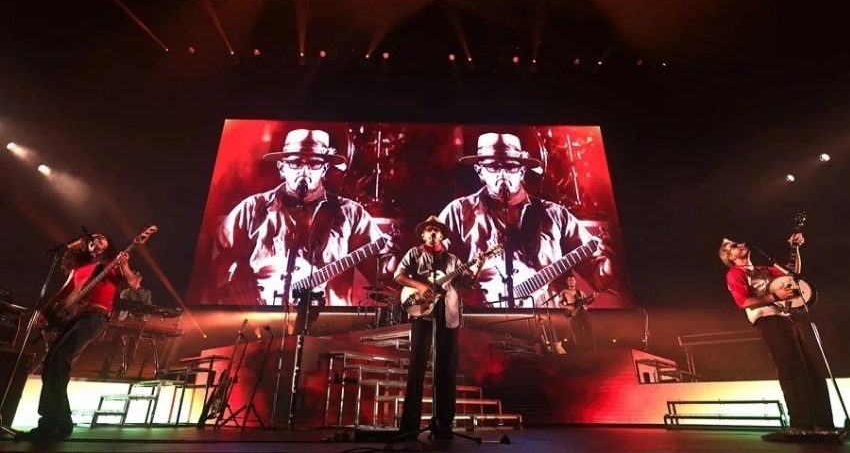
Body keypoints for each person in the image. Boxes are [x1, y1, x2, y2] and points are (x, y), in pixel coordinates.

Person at [209, 129, 398, 306]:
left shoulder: (351, 213)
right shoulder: (251, 209)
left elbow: (381, 273)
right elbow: (216, 263)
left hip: (327, 327)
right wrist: (241, 290)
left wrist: (394, 264)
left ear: (324, 170)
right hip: (258, 321)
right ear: (281, 167)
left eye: (314, 163)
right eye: (296, 162)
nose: (305, 171)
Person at [438, 132, 616, 307]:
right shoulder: (457, 212)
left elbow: (600, 276)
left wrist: (612, 263)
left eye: (511, 167)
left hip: (547, 328)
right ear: (480, 171)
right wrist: (467, 293)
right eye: (493, 166)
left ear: (522, 171)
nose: (502, 174)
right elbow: (430, 271)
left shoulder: (557, 216)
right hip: (481, 330)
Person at [17, 232, 138, 442]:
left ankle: (49, 424)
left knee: (59, 358)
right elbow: (65, 291)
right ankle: (62, 422)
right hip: (70, 317)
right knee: (51, 366)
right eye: (92, 238)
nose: (96, 240)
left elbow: (134, 284)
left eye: (102, 237)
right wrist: (44, 311)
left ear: (108, 244)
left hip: (95, 317)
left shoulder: (112, 263)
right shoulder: (79, 269)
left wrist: (125, 266)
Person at [720, 235, 834, 433]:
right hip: (767, 320)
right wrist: (774, 296)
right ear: (729, 256)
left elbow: (793, 274)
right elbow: (743, 302)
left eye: (740, 242)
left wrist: (794, 247)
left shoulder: (764, 269)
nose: (741, 245)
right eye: (735, 246)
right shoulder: (735, 273)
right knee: (792, 369)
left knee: (811, 370)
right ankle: (800, 424)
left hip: (786, 318)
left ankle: (824, 423)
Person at [393, 216, 484, 439]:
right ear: (423, 235)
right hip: (421, 312)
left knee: (447, 368)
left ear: (442, 236)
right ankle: (410, 426)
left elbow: (468, 283)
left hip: (448, 316)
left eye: (436, 230)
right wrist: (420, 285)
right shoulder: (414, 254)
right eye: (428, 230)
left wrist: (479, 266)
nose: (432, 232)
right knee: (416, 368)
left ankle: (444, 423)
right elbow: (398, 275)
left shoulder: (453, 259)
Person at [557, 274, 596, 351]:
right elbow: (559, 304)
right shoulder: (564, 292)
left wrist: (593, 297)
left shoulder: (580, 292)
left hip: (583, 312)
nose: (571, 281)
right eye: (569, 280)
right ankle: (580, 351)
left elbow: (587, 302)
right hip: (573, 314)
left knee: (589, 329)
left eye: (572, 280)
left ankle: (591, 349)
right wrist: (568, 307)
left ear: (575, 281)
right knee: (577, 333)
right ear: (567, 282)